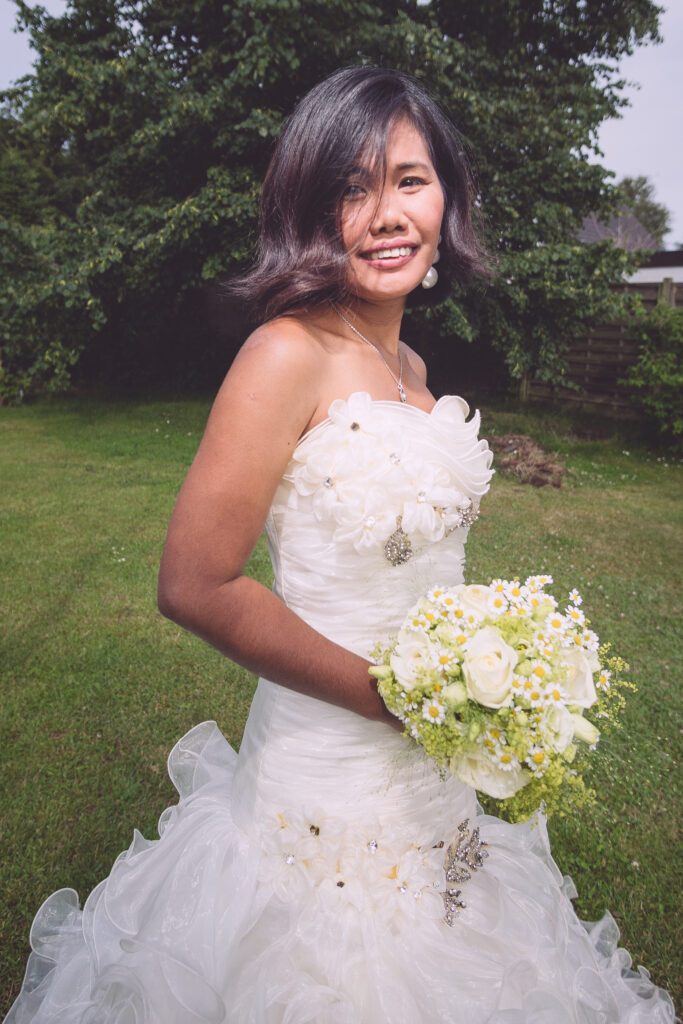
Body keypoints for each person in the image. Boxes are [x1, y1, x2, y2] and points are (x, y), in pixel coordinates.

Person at [5, 67, 675, 1024]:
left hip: (435, 773)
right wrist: (392, 697)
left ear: (448, 196)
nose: (384, 213)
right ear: (309, 215)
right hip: (324, 781)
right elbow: (194, 582)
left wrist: (482, 681)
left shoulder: (409, 366)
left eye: (409, 179)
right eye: (348, 190)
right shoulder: (286, 354)